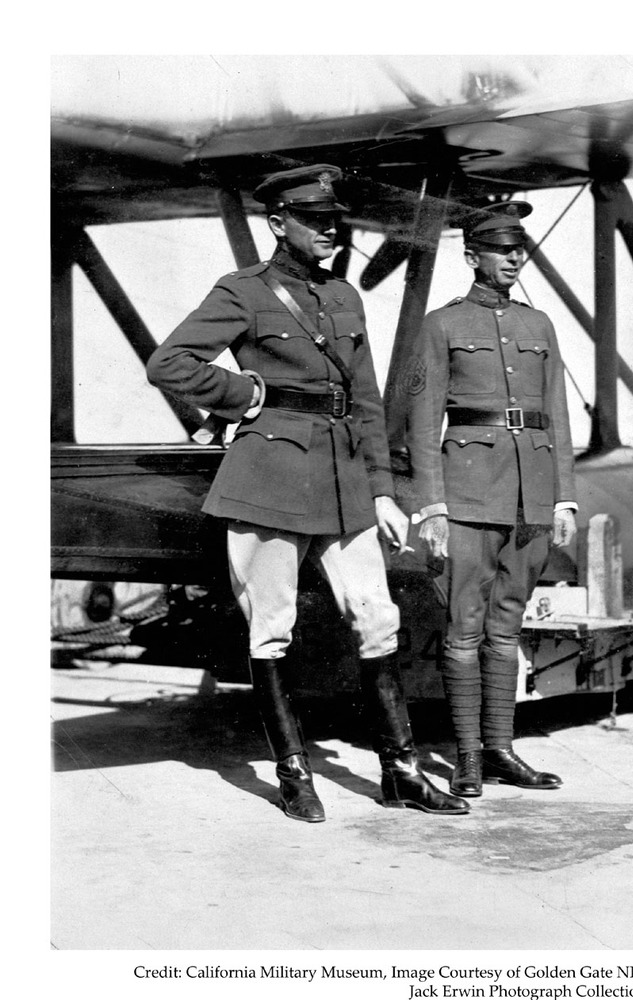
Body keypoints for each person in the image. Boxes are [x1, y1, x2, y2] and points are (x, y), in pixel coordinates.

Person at [146, 164, 468, 822]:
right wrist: (245, 395)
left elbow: (367, 402)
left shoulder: (345, 298)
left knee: (377, 618)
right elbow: (168, 362)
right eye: (315, 220)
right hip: (268, 480)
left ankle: (400, 769)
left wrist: (382, 490)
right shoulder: (242, 292)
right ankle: (294, 773)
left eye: (334, 220)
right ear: (277, 223)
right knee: (273, 631)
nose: (330, 230)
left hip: (347, 483)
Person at [406, 201, 578, 798]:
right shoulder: (443, 325)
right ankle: (467, 757)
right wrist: (431, 507)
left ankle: (502, 749)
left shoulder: (540, 326)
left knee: (508, 628)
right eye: (502, 250)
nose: (513, 259)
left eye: (518, 250)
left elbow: (556, 416)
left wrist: (564, 500)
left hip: (530, 498)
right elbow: (424, 424)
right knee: (464, 630)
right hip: (470, 496)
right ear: (472, 255)